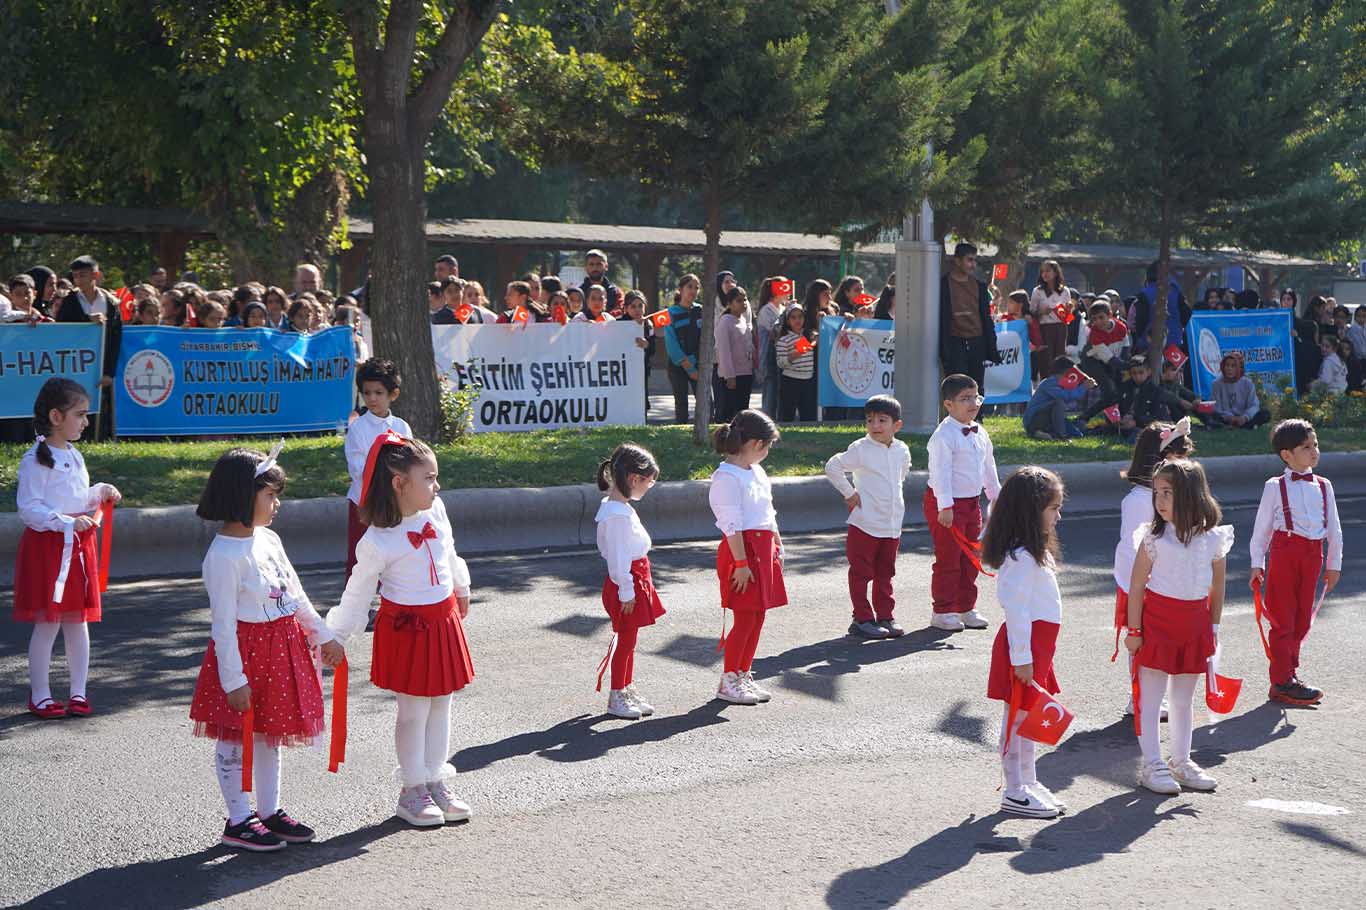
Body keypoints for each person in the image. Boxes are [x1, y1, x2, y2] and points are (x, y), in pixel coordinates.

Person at [189, 445, 344, 851]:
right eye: (270, 495)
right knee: (235, 738)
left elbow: (295, 593)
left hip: (280, 649)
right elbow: (222, 625)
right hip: (245, 655)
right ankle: (238, 819)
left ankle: (270, 811)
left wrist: (321, 634)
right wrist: (233, 680)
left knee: (271, 734)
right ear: (243, 495)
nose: (276, 504)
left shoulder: (269, 539)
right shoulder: (223, 556)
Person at [327, 433, 476, 828]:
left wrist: (460, 586)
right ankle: (412, 790)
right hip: (408, 628)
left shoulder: (436, 511)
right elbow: (357, 592)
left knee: (442, 702)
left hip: (442, 620)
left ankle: (435, 778)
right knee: (413, 711)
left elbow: (449, 551)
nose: (436, 485)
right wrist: (337, 635)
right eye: (428, 478)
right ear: (399, 483)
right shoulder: (377, 539)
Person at [14, 379, 122, 719]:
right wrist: (63, 522)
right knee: (48, 623)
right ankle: (41, 694)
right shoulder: (35, 460)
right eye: (80, 415)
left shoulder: (74, 454)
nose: (86, 422)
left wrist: (100, 491)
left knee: (78, 622)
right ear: (56, 416)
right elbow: (28, 508)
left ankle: (78, 691)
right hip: (49, 549)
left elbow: (77, 496)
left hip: (76, 546)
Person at [1124, 460, 1232, 795]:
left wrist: (1213, 628)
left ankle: (1181, 762)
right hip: (1157, 624)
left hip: (1195, 625)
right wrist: (1134, 630)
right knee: (1152, 700)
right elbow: (1137, 587)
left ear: (1191, 494)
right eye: (1157, 493)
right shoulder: (1154, 539)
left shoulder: (1213, 538)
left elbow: (1218, 587)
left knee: (1184, 699)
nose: (1160, 501)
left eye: (1168, 493)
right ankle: (1152, 764)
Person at [982, 467, 1068, 818]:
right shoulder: (1019, 559)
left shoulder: (1034, 552)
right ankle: (1014, 789)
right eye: (1053, 508)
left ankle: (1029, 780)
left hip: (1038, 648)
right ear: (1030, 512)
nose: (1058, 516)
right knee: (1016, 719)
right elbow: (1015, 609)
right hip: (1026, 648)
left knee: (1029, 717)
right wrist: (1022, 657)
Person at [1248, 419, 1342, 706]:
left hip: (1313, 556)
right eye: (1306, 447)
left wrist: (1333, 564)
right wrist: (1257, 562)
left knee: (1301, 620)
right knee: (1282, 618)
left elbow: (1334, 528)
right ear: (1286, 455)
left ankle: (1290, 674)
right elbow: (1262, 528)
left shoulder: (1324, 486)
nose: (1314, 452)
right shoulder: (1275, 486)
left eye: (1315, 445)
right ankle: (1282, 681)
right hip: (1285, 554)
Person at [1113, 420, 1193, 716]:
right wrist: (1142, 583)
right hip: (1142, 583)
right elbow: (1134, 547)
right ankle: (1140, 697)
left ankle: (1154, 694)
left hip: (1167, 579)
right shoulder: (1138, 500)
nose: (1184, 463)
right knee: (1141, 638)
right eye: (1178, 456)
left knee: (1162, 640)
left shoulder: (1173, 496)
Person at [709, 410, 787, 706]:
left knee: (758, 615)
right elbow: (731, 524)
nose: (767, 452)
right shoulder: (726, 477)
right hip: (742, 550)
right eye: (767, 446)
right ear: (755, 443)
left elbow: (767, 512)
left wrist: (777, 543)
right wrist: (741, 564)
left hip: (762, 548)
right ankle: (729, 678)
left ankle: (743, 673)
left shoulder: (756, 471)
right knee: (744, 617)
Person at [824, 396, 912, 639]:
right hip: (865, 523)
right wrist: (850, 493)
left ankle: (886, 615)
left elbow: (901, 477)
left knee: (886, 573)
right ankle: (862, 618)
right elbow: (833, 466)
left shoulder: (901, 450)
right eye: (870, 420)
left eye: (882, 420)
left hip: (891, 524)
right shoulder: (861, 449)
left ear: (897, 425)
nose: (875, 426)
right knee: (861, 572)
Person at [594, 444, 665, 720]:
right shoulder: (617, 515)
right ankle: (617, 694)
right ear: (634, 479)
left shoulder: (617, 508)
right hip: (628, 583)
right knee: (625, 641)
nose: (649, 487)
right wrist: (627, 591)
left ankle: (625, 687)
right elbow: (619, 558)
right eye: (649, 481)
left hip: (634, 581)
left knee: (629, 639)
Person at [925, 374, 1001, 631]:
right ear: (948, 405)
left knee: (971, 556)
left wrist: (996, 497)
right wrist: (944, 505)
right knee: (949, 557)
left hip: (971, 502)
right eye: (965, 399)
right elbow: (940, 473)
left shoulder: (980, 432)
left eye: (975, 397)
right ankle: (943, 610)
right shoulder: (943, 436)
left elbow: (988, 467)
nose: (973, 404)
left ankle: (966, 606)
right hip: (946, 502)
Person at [344, 359, 413, 579]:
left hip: (395, 500)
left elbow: (411, 461)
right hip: (365, 502)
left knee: (396, 555)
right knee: (360, 557)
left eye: (378, 393)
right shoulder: (358, 429)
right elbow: (357, 469)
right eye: (367, 393)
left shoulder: (401, 427)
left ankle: (391, 603)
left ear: (393, 394)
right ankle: (353, 609)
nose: (372, 398)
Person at [55, 256, 122, 439]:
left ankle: (101, 437)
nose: (78, 280)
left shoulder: (111, 302)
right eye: (75, 276)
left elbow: (116, 339)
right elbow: (61, 330)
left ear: (96, 275)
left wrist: (110, 372)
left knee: (101, 402)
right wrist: (86, 321)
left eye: (83, 275)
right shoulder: (70, 301)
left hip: (101, 363)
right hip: (76, 363)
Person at [938, 243, 1001, 392]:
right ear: (958, 261)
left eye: (974, 260)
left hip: (977, 342)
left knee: (976, 386)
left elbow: (986, 317)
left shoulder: (979, 286)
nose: (973, 265)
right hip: (954, 342)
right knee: (957, 387)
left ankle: (977, 416)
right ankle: (956, 416)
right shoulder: (943, 285)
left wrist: (991, 345)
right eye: (969, 260)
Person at [1074, 299, 1129, 422]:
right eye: (1094, 319)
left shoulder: (1121, 327)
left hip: (1108, 360)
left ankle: (1111, 419)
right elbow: (1110, 360)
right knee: (1110, 392)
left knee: (1116, 393)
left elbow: (1125, 347)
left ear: (1110, 314)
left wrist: (1126, 363)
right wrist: (1128, 366)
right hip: (1092, 362)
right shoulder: (1095, 334)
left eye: (1101, 317)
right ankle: (1085, 417)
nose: (1098, 322)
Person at [662, 274, 704, 423]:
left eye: (696, 288)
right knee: (681, 406)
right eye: (689, 287)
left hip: (700, 365)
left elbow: (706, 339)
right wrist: (689, 367)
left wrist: (696, 364)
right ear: (680, 289)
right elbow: (672, 345)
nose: (693, 291)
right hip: (678, 367)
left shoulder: (701, 311)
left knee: (707, 403)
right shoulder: (669, 313)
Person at [1023, 357, 1096, 441]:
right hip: (1034, 420)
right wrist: (1084, 387)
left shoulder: (1062, 383)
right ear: (1065, 372)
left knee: (1077, 434)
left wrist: (1083, 385)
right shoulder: (1049, 383)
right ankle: (1060, 436)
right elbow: (1064, 396)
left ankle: (1046, 434)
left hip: (1047, 418)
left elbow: (1072, 396)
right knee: (1058, 403)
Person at [1130, 261, 1190, 356]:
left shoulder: (1144, 294)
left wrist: (1141, 336)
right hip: (1174, 346)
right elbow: (1186, 316)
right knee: (1174, 371)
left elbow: (1140, 321)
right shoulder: (1176, 292)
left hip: (1148, 346)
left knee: (1151, 370)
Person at [715, 286, 755, 422]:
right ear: (729, 303)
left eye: (745, 299)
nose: (743, 303)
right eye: (739, 300)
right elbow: (723, 351)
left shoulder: (744, 320)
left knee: (742, 413)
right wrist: (729, 376)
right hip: (731, 377)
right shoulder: (725, 322)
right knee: (728, 415)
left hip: (746, 373)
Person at [775, 304, 817, 421]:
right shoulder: (784, 339)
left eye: (800, 316)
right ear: (788, 321)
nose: (797, 320)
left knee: (808, 414)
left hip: (808, 380)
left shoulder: (809, 335)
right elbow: (780, 362)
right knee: (788, 413)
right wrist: (793, 356)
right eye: (793, 317)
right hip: (790, 381)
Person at [755, 277, 789, 418]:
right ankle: (767, 418)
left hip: (781, 355)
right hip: (768, 355)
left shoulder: (782, 308)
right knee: (770, 390)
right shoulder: (766, 310)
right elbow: (773, 332)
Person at [1209, 353, 1269, 429]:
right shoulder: (1216, 384)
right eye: (1227, 365)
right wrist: (1230, 417)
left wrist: (1245, 417)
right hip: (1225, 418)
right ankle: (1245, 426)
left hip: (1243, 417)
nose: (1229, 369)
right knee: (1212, 414)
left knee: (1265, 414)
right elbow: (1216, 407)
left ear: (1239, 368)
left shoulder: (1247, 383)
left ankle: (1241, 426)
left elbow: (1254, 405)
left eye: (1233, 366)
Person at [1029, 260, 1070, 367]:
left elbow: (1067, 317)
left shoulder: (1064, 291)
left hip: (1061, 328)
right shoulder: (1037, 291)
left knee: (1060, 358)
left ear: (1056, 273)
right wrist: (1040, 312)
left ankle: (1060, 382)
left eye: (1048, 271)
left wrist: (1069, 310)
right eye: (1042, 271)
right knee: (1046, 359)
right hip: (1044, 328)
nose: (1044, 274)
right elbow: (1031, 312)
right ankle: (1046, 381)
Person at [622, 291, 655, 409]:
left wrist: (647, 345)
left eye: (640, 306)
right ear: (626, 308)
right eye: (633, 306)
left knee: (641, 401)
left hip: (642, 371)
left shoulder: (648, 324)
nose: (637, 310)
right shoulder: (618, 324)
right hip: (623, 370)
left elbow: (653, 349)